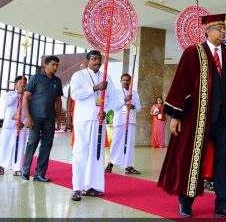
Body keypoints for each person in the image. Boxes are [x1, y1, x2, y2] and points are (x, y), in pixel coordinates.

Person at [158, 13, 226, 219]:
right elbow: (181, 84)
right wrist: (176, 116)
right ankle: (185, 202)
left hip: (225, 118)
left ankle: (223, 205)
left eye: (225, 28)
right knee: (192, 158)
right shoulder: (193, 53)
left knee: (224, 161)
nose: (223, 32)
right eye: (219, 28)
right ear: (207, 31)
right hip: (197, 118)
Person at [69, 50, 117, 201]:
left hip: (99, 121)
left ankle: (93, 187)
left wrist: (105, 111)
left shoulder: (106, 77)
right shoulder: (79, 75)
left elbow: (113, 99)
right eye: (94, 59)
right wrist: (95, 88)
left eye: (99, 59)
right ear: (87, 61)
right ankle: (77, 188)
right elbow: (75, 94)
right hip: (83, 119)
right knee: (80, 153)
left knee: (97, 154)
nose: (97, 61)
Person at [21, 56, 63, 182]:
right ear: (46, 65)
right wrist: (28, 117)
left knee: (46, 145)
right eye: (53, 65)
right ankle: (25, 170)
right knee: (32, 142)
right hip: (35, 117)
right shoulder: (36, 78)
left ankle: (39, 174)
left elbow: (58, 101)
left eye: (57, 65)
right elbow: (25, 97)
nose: (55, 67)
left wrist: (58, 119)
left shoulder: (57, 81)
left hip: (50, 118)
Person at [105, 73, 141, 175]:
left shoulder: (134, 93)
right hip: (120, 121)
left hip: (130, 121)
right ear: (121, 81)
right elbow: (114, 107)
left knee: (129, 144)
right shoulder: (116, 93)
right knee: (116, 142)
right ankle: (110, 163)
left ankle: (128, 166)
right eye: (124, 80)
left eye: (128, 80)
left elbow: (139, 108)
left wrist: (132, 106)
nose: (126, 82)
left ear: (130, 81)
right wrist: (124, 100)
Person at [0, 76, 27, 176]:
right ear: (15, 84)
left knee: (19, 147)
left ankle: (17, 168)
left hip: (20, 126)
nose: (22, 85)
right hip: (9, 126)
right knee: (4, 146)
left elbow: (29, 111)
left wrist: (23, 122)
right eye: (20, 83)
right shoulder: (9, 94)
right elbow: (8, 103)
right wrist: (17, 94)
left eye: (24, 84)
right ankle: (1, 165)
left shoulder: (27, 97)